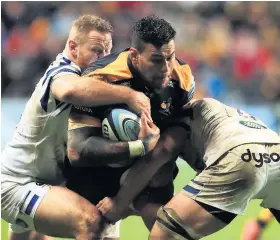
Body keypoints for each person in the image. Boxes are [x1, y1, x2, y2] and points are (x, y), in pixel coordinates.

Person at [1, 14, 153, 240]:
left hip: (54, 184)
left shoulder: (99, 83)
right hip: (18, 184)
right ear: (73, 47)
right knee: (91, 223)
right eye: (96, 51)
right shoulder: (61, 72)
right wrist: (130, 95)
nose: (103, 58)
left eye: (107, 52)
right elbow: (69, 91)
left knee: (106, 229)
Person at [65, 14, 195, 232]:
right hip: (97, 172)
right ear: (134, 56)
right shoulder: (99, 77)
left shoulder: (182, 77)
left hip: (147, 171)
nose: (166, 68)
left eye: (170, 57)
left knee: (166, 226)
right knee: (93, 226)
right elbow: (77, 151)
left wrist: (123, 199)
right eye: (156, 60)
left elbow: (171, 143)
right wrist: (139, 146)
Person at [97, 98, 280, 240]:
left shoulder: (177, 119)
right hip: (275, 152)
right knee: (175, 224)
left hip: (239, 156)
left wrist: (120, 202)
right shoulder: (216, 113)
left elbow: (161, 154)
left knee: (164, 235)